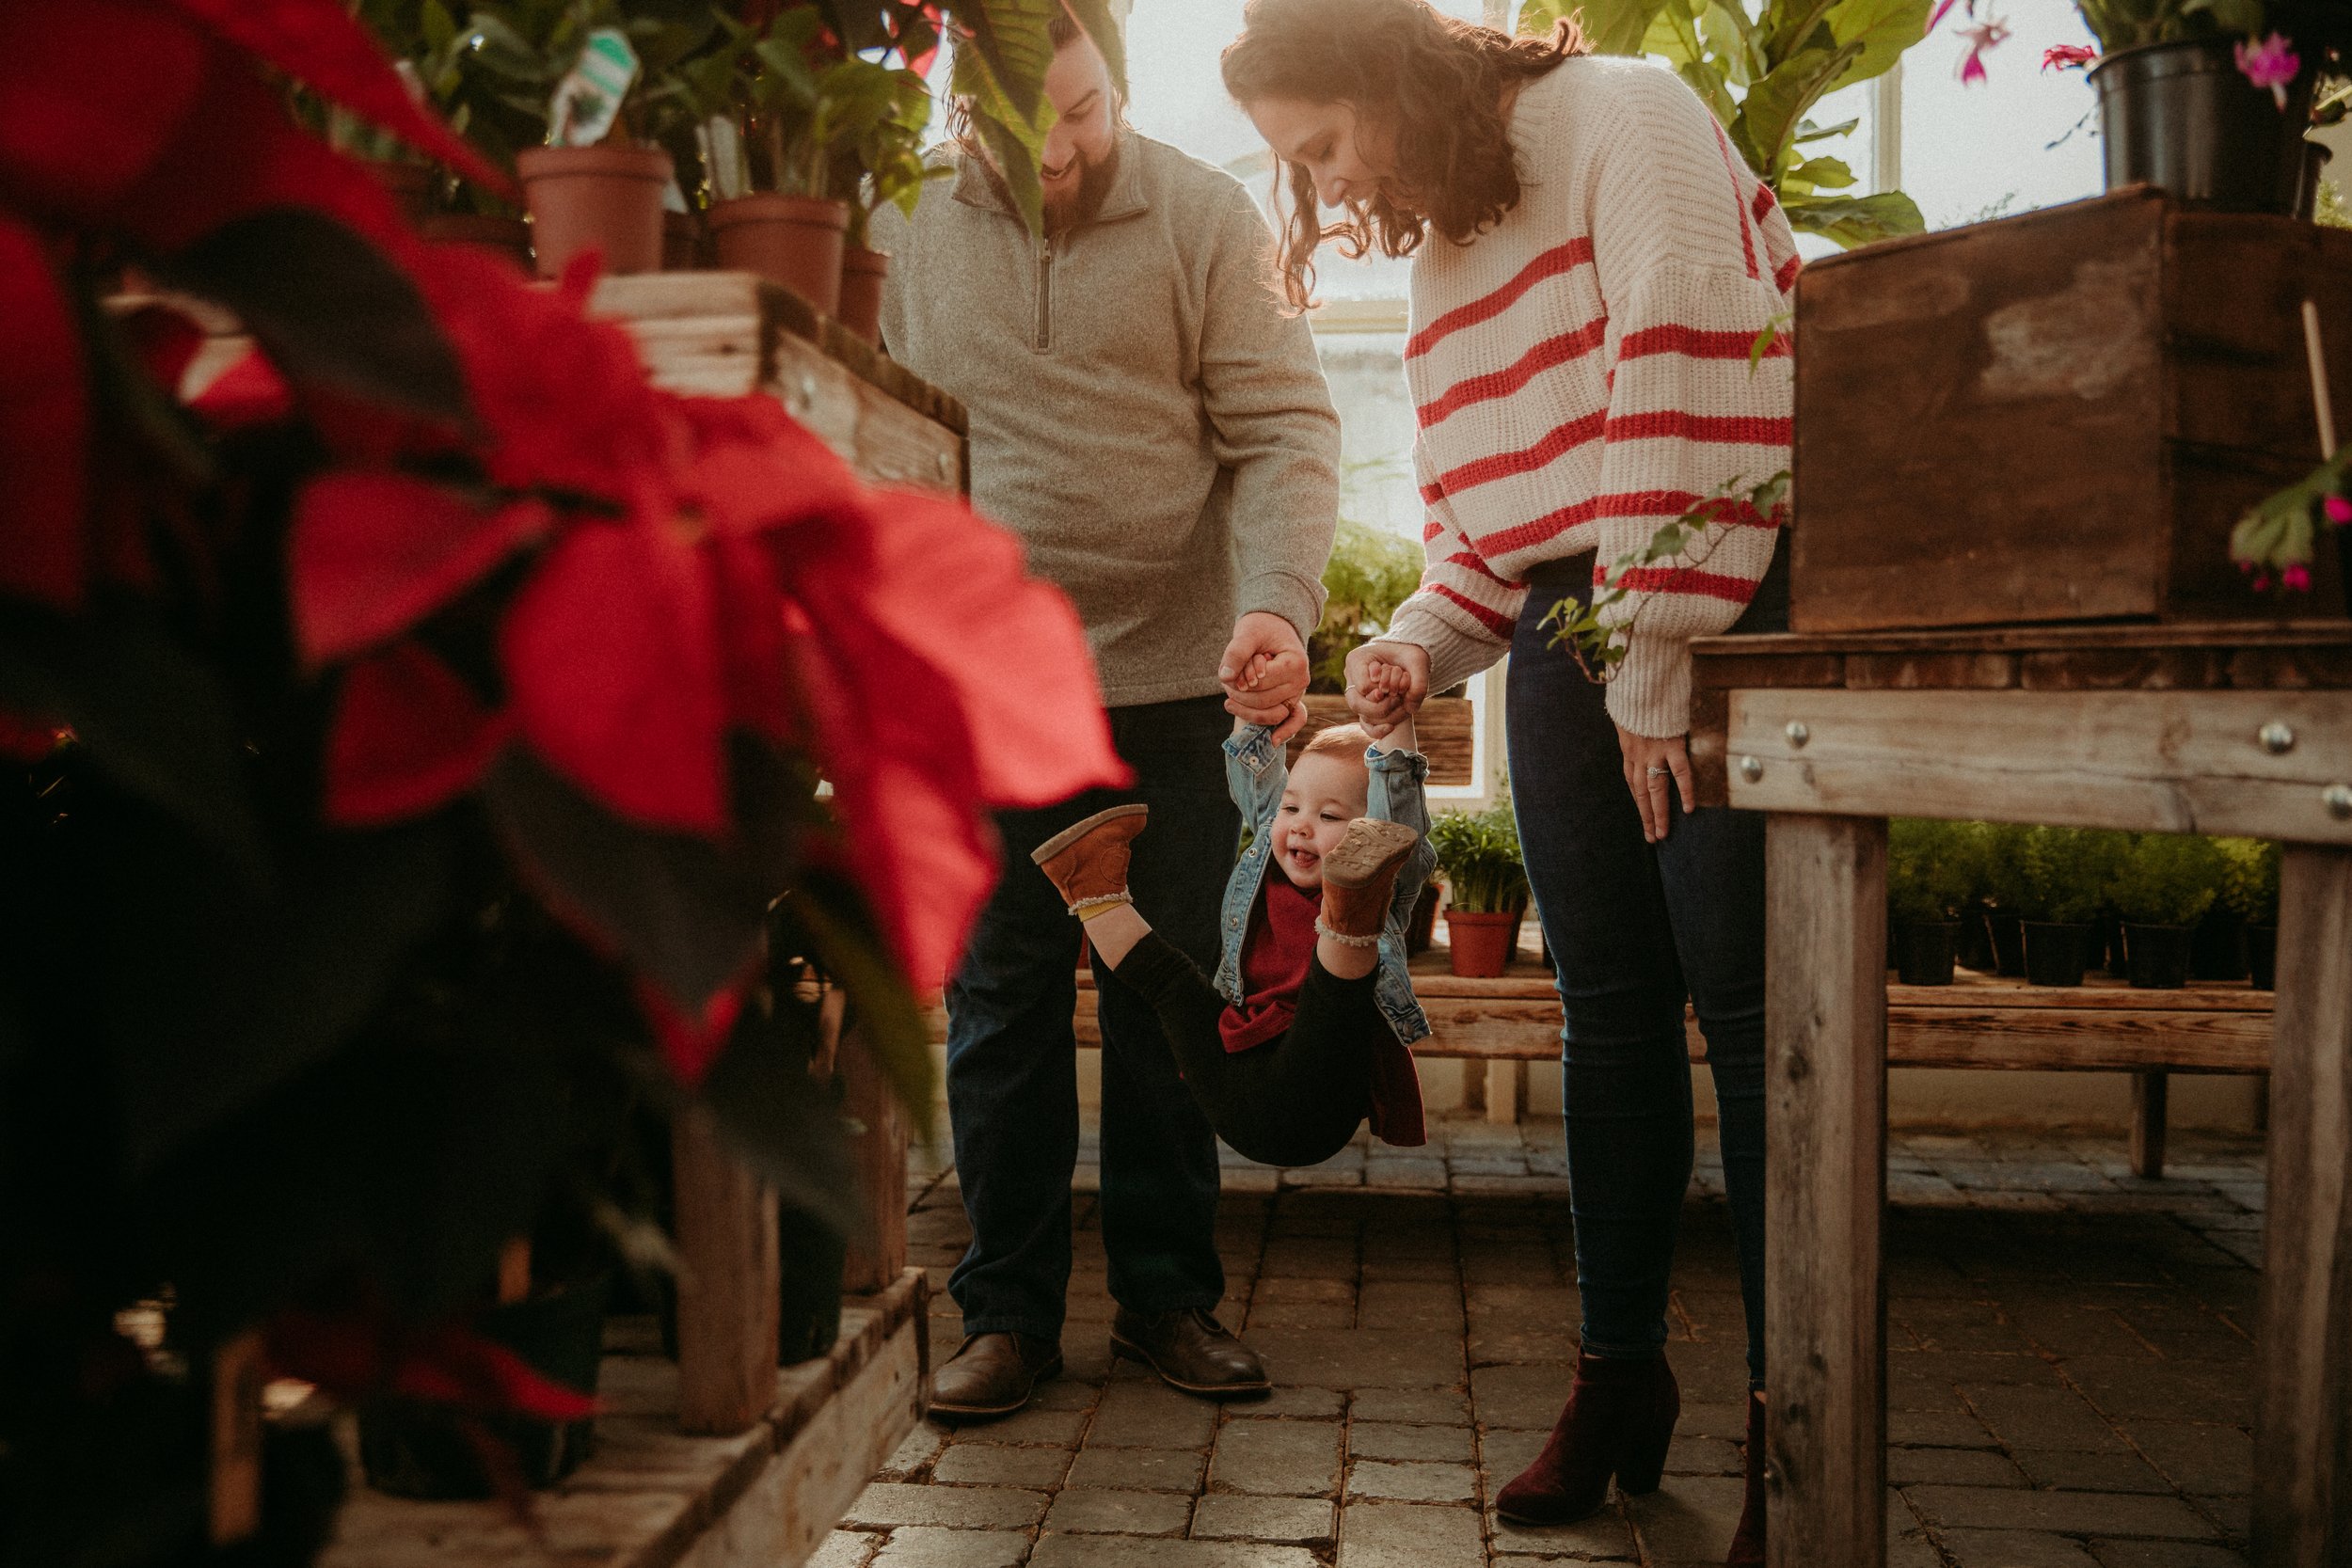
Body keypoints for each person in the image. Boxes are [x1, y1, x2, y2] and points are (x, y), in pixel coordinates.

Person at [1221, 4, 1798, 1563]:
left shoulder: (1630, 116)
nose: (1331, 189)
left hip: (1716, 605)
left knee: (1751, 1016)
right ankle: (1619, 1380)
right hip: (1567, 636)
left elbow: (1698, 370)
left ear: (1391, 74)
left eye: (1329, 144)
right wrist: (1411, 643)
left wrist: (1659, 661)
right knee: (1606, 1012)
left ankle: (1789, 1418)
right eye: (1302, 167)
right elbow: (1485, 531)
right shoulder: (1441, 257)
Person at [870, 11, 1344, 1422]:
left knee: (1165, 1000)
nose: (1063, 147)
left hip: (1171, 682)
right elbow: (881, 440)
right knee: (1000, 1004)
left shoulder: (1204, 216)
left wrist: (1276, 601)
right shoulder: (899, 230)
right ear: (967, 112)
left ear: (1118, 90)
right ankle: (1007, 1313)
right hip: (985, 689)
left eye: (1085, 111)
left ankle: (1166, 1298)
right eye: (1030, 124)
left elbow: (1284, 426)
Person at [1035, 663, 1435, 1168]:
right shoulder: (1268, 858)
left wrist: (1393, 717)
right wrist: (1254, 705)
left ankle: (1349, 912)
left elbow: (1398, 807)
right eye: (1293, 810)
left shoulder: (1388, 868)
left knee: (1337, 983)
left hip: (1313, 1094)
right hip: (1235, 1073)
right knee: (1171, 983)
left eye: (1330, 816)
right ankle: (1091, 883)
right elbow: (1256, 777)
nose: (1301, 827)